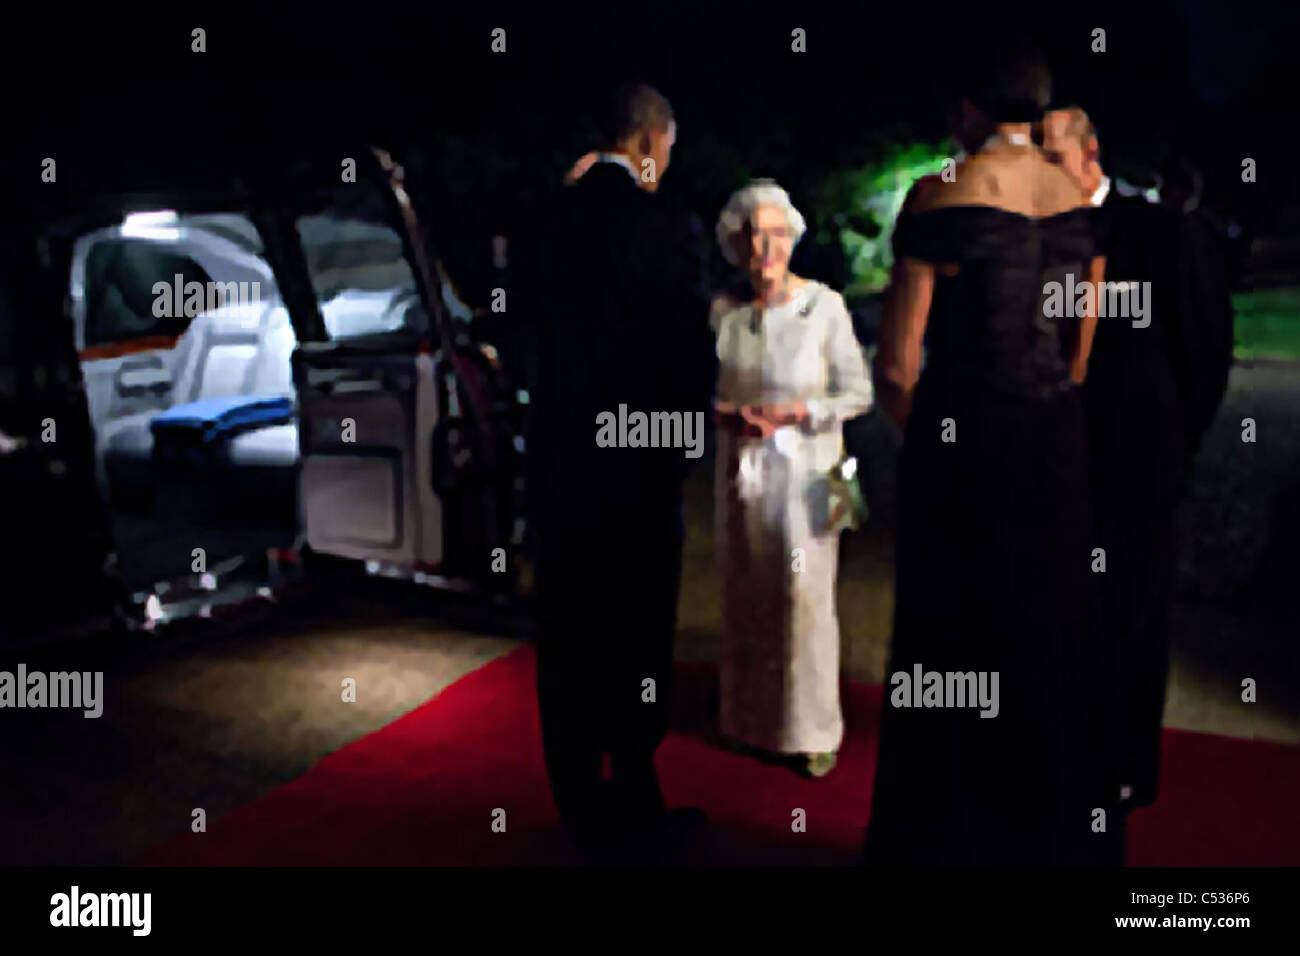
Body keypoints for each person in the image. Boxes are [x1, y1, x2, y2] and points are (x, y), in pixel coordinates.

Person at [865, 50, 1119, 865]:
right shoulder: (1078, 202)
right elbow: (1082, 353)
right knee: (1047, 641)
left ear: (966, 111)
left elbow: (898, 367)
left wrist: (939, 442)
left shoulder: (939, 194)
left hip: (964, 450)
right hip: (1053, 448)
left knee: (952, 642)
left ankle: (942, 844)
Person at [516, 82, 715, 860]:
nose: (666, 161)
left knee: (567, 627)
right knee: (635, 629)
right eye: (666, 148)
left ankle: (575, 796)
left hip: (564, 464)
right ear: (646, 141)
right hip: (636, 469)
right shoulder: (665, 225)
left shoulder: (545, 220)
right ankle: (634, 789)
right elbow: (685, 352)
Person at [1042, 111, 1231, 817]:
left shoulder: (1161, 232)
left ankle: (1121, 768)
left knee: (1133, 612)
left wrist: (1176, 445)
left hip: (1139, 463)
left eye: (1052, 153)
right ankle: (1060, 752)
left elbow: (1204, 348)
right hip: (1056, 461)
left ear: (1090, 154)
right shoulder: (1034, 238)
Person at [710, 180, 873, 777]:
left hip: (811, 476)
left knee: (802, 599)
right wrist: (728, 415)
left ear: (793, 238)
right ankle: (746, 720)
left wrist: (799, 411)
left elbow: (858, 392)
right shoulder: (724, 314)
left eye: (777, 232)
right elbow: (709, 390)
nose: (765, 245)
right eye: (753, 233)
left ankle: (811, 729)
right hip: (743, 476)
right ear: (736, 243)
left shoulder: (823, 307)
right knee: (746, 591)